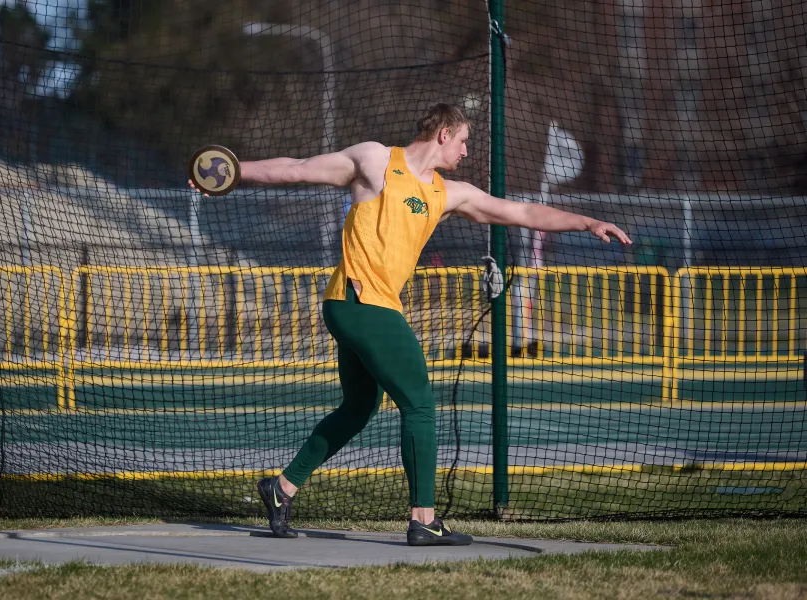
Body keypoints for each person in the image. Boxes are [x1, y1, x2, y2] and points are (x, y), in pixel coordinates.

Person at [190, 103, 632, 546]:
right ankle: (424, 520)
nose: (465, 151)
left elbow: (523, 212)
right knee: (419, 404)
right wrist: (230, 171)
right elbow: (297, 169)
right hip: (360, 302)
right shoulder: (375, 160)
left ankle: (282, 488)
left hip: (362, 307)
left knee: (360, 407)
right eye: (463, 140)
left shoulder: (449, 193)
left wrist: (588, 222)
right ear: (443, 133)